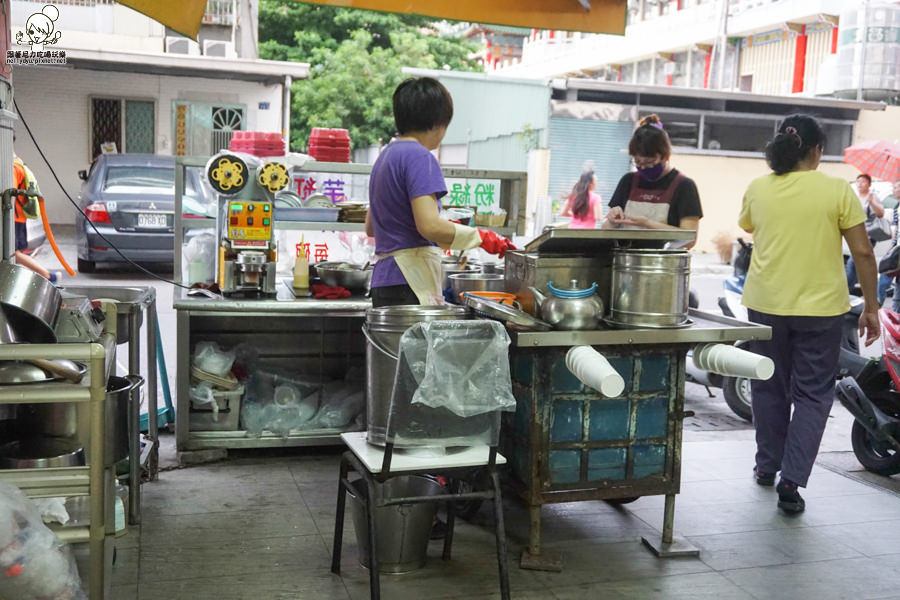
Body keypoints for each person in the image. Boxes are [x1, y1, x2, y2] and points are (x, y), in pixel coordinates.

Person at [739, 114, 880, 514]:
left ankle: (767, 466)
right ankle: (792, 480)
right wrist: (871, 306)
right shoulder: (837, 190)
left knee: (768, 385)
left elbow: (751, 227)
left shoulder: (758, 188)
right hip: (821, 310)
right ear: (817, 150)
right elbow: (864, 252)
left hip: (764, 304)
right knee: (813, 395)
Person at [365, 77, 515, 308]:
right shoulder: (420, 156)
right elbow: (429, 227)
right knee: (413, 346)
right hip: (409, 281)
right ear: (438, 122)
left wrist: (446, 223)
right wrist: (480, 237)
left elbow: (373, 226)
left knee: (390, 345)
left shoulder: (385, 157)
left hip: (384, 282)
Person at [602, 114, 702, 247]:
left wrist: (647, 224)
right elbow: (605, 230)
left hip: (663, 263)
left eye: (649, 162)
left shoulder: (684, 186)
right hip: (625, 260)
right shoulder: (628, 181)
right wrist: (612, 221)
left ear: (665, 156)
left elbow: (689, 238)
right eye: (637, 161)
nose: (643, 167)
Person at [11, 149, 60, 284]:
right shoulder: (20, 163)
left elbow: (11, 192)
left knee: (14, 253)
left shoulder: (14, 168)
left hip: (13, 218)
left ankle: (48, 276)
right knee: (14, 254)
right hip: (18, 217)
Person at [846, 173, 884, 292]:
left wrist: (872, 202)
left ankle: (847, 290)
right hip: (855, 234)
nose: (860, 184)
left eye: (863, 181)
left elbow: (881, 213)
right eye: (858, 181)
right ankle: (862, 290)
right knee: (859, 264)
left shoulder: (872, 197)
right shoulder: (855, 198)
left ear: (869, 184)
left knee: (853, 262)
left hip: (868, 236)